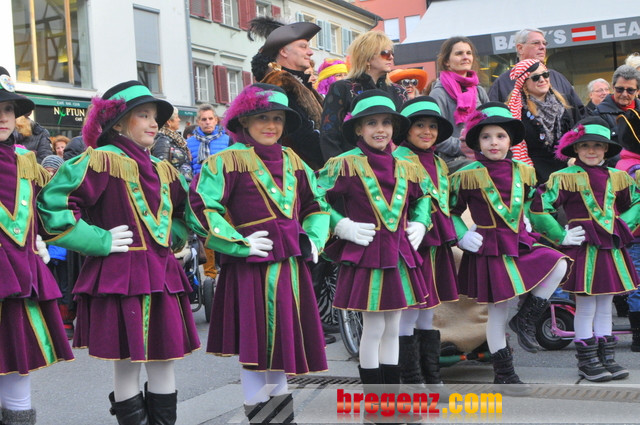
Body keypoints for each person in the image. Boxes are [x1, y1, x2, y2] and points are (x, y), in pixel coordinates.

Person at [37, 80, 200, 424]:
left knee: (164, 361)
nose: (153, 124)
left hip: (162, 276)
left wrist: (174, 240)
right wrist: (99, 240)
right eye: (143, 115)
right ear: (119, 123)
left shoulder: (163, 169)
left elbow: (186, 213)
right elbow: (53, 206)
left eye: (155, 116)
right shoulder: (99, 161)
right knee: (127, 365)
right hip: (122, 276)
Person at [186, 83, 330, 423]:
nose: (271, 125)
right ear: (244, 121)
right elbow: (200, 207)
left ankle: (281, 419)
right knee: (255, 353)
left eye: (278, 118)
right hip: (250, 269)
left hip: (290, 269)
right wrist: (238, 241)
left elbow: (317, 204)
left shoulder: (293, 160)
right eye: (263, 117)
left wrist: (313, 239)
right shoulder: (226, 162)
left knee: (281, 351)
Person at [450, 102, 571, 392]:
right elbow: (449, 212)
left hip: (519, 241)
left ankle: (525, 318)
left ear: (511, 140)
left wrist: (558, 234)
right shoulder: (466, 174)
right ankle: (504, 375)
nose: (494, 142)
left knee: (559, 263)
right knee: (497, 312)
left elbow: (536, 208)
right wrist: (461, 235)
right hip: (489, 247)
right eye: (486, 136)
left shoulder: (524, 171)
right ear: (477, 142)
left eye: (500, 136)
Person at [317, 89, 430, 390]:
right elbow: (314, 197)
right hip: (366, 253)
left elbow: (422, 197)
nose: (380, 129)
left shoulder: (406, 164)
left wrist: (421, 222)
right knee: (374, 326)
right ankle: (375, 401)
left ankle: (389, 399)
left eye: (386, 123)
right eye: (371, 123)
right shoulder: (344, 163)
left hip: (398, 254)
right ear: (358, 129)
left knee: (393, 327)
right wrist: (341, 225)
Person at [530, 116, 640, 381]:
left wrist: (621, 226)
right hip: (583, 248)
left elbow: (636, 202)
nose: (592, 150)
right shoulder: (563, 177)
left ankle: (606, 358)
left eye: (598, 145)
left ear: (606, 149)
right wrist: (561, 235)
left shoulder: (619, 177)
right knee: (586, 306)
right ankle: (587, 361)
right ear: (576, 149)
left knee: (605, 305)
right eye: (585, 145)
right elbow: (539, 206)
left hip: (610, 249)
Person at [0, 66, 73, 425]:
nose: (3, 117)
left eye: (8, 109)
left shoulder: (25, 160)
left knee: (18, 363)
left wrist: (38, 238)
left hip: (17, 273)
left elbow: (49, 206)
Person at [395, 96, 459, 386]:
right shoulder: (398, 159)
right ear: (406, 130)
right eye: (419, 125)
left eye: (432, 126)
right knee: (409, 310)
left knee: (428, 311)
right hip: (412, 245)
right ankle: (411, 378)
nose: (427, 131)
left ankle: (431, 376)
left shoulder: (438, 161)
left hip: (436, 244)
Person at [248, 17, 325, 170]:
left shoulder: (301, 85)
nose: (310, 52)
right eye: (303, 47)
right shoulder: (279, 85)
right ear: (283, 51)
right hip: (293, 173)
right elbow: (304, 138)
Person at [319, 31, 407, 162]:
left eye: (392, 53)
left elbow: (405, 135)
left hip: (391, 165)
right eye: (385, 53)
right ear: (367, 57)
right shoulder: (342, 88)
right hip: (352, 166)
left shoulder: (399, 91)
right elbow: (329, 135)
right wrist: (340, 168)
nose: (391, 57)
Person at [488, 28, 584, 122]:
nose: (542, 47)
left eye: (544, 43)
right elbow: (492, 119)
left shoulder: (557, 77)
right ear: (520, 48)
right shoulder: (502, 83)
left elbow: (579, 115)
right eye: (536, 43)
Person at [506, 59, 575, 182]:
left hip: (565, 175)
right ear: (524, 83)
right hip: (534, 177)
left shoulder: (563, 105)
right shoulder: (516, 112)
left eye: (545, 74)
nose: (542, 79)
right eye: (535, 77)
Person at [429, 36, 489, 172]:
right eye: (459, 53)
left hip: (483, 154)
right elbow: (435, 136)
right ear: (446, 62)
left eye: (468, 53)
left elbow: (491, 122)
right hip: (453, 162)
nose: (465, 57)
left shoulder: (479, 91)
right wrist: (465, 146)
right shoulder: (439, 93)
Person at [613, 109, 640, 352]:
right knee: (638, 286)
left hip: (630, 234)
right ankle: (638, 337)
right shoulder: (634, 168)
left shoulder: (625, 163)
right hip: (636, 235)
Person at [593, 65, 640, 143]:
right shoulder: (599, 114)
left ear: (637, 91)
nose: (624, 94)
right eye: (620, 89)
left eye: (630, 90)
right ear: (613, 87)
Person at [186, 103, 229, 175]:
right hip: (198, 181)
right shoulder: (188, 143)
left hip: (221, 181)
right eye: (204, 119)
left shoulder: (228, 140)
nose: (208, 122)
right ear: (198, 122)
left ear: (215, 120)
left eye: (210, 119)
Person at [152, 106, 193, 181]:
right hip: (173, 184)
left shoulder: (176, 139)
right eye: (177, 117)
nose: (179, 119)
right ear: (169, 122)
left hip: (181, 183)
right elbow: (162, 168)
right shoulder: (163, 141)